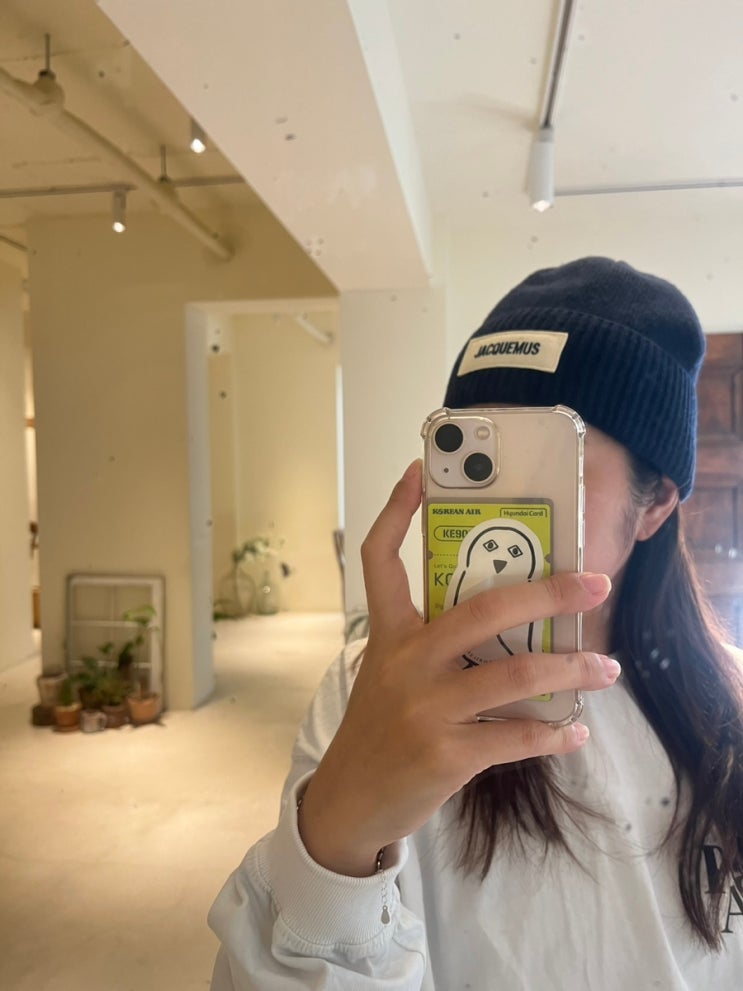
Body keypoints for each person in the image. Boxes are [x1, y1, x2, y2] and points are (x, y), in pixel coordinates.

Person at [208, 258, 743, 990]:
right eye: (480, 460)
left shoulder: (729, 704)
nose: (503, 510)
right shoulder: (373, 693)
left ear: (653, 507)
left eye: (550, 462)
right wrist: (334, 844)